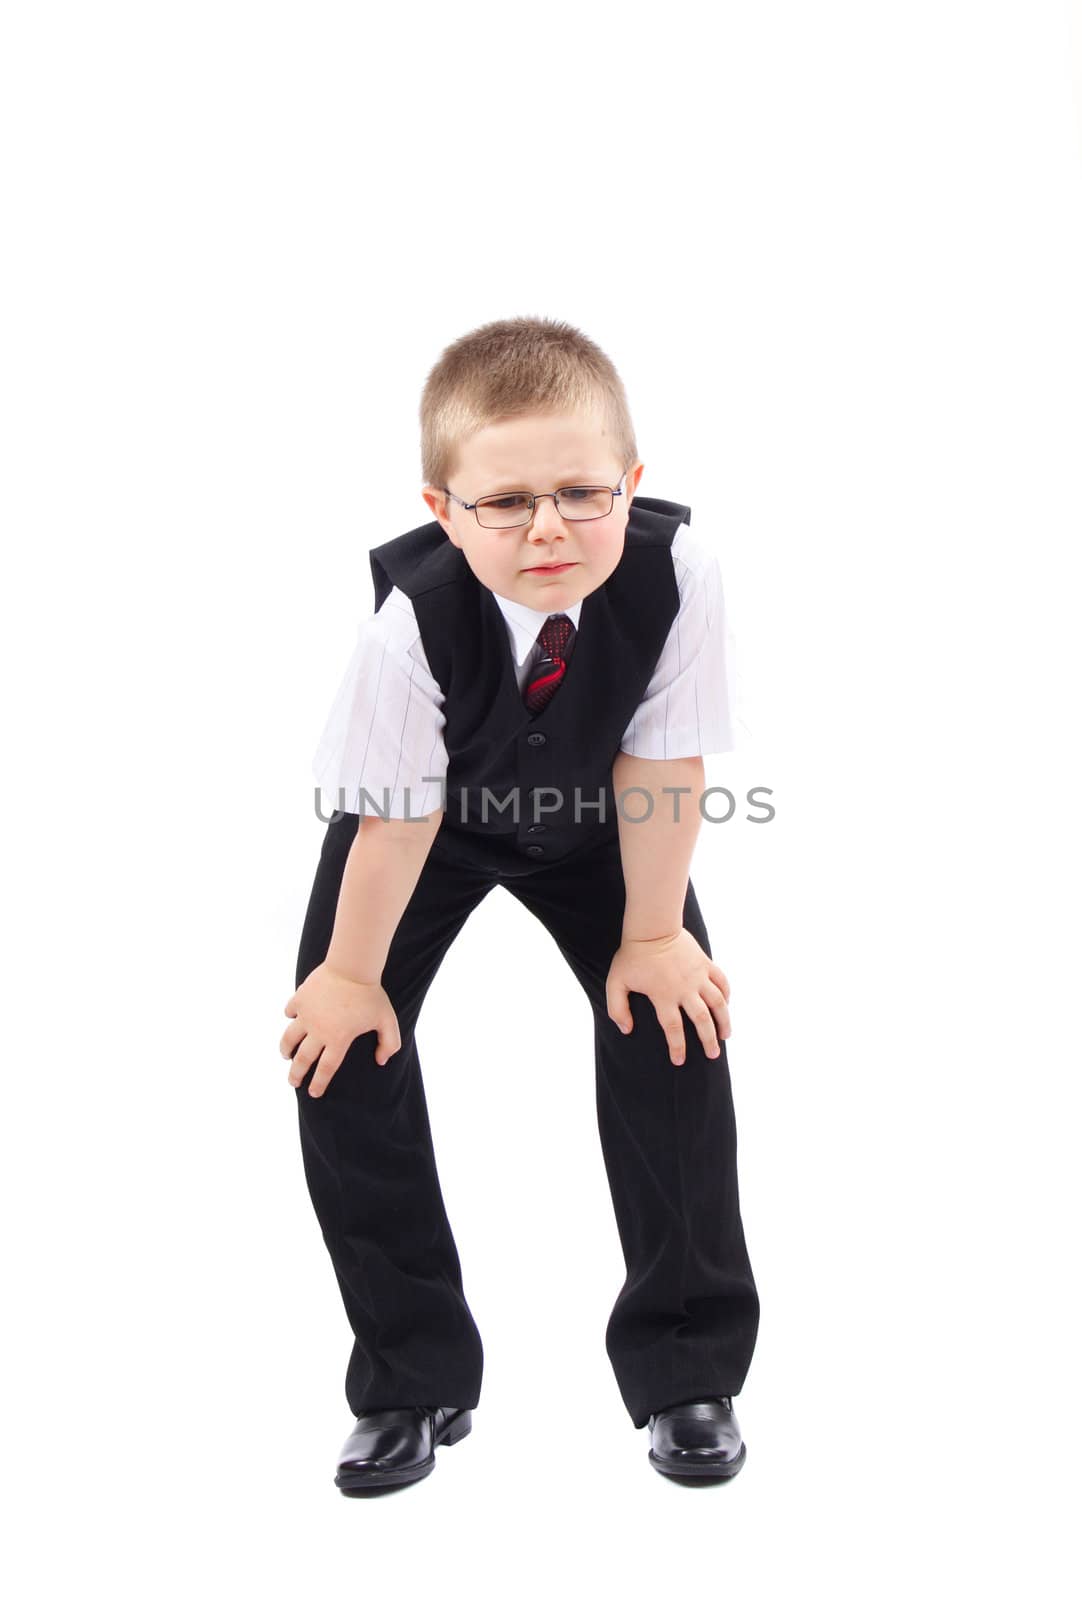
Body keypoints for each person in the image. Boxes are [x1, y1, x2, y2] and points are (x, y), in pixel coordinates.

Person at [281, 315, 760, 1492]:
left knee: (674, 1018)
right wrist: (350, 977)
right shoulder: (410, 630)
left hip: (601, 815)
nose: (548, 526)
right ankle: (411, 1376)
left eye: (579, 492)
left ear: (629, 483)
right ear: (445, 508)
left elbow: (663, 765)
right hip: (424, 824)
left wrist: (650, 937)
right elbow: (391, 820)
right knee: (339, 1048)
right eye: (505, 503)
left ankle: (684, 1366)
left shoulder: (674, 576)